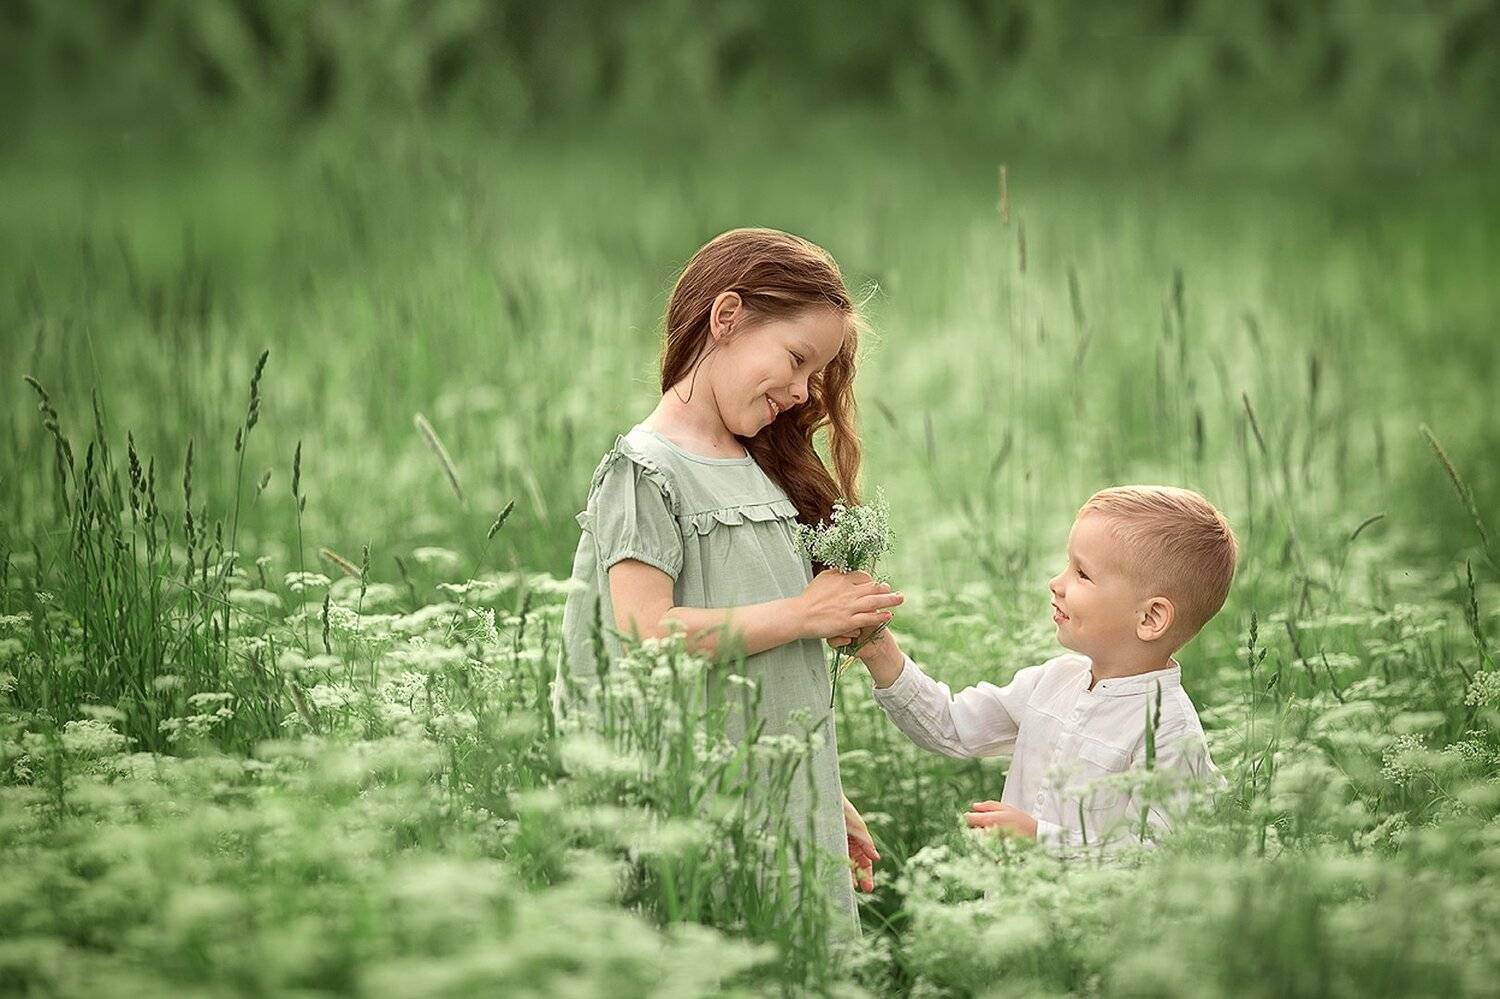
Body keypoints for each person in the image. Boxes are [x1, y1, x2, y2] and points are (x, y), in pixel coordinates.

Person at [559, 227, 902, 929]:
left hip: (782, 803)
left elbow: (770, 675)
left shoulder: (761, 477)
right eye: (797, 359)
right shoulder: (646, 470)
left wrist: (822, 793)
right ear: (727, 318)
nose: (804, 390)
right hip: (704, 812)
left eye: (817, 374)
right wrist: (807, 612)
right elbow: (648, 634)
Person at [840, 486, 1235, 850]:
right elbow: (950, 726)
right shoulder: (1053, 681)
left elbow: (1156, 852)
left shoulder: (1169, 731)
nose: (1056, 582)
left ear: (1150, 618)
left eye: (1082, 574)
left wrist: (1038, 837)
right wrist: (879, 651)